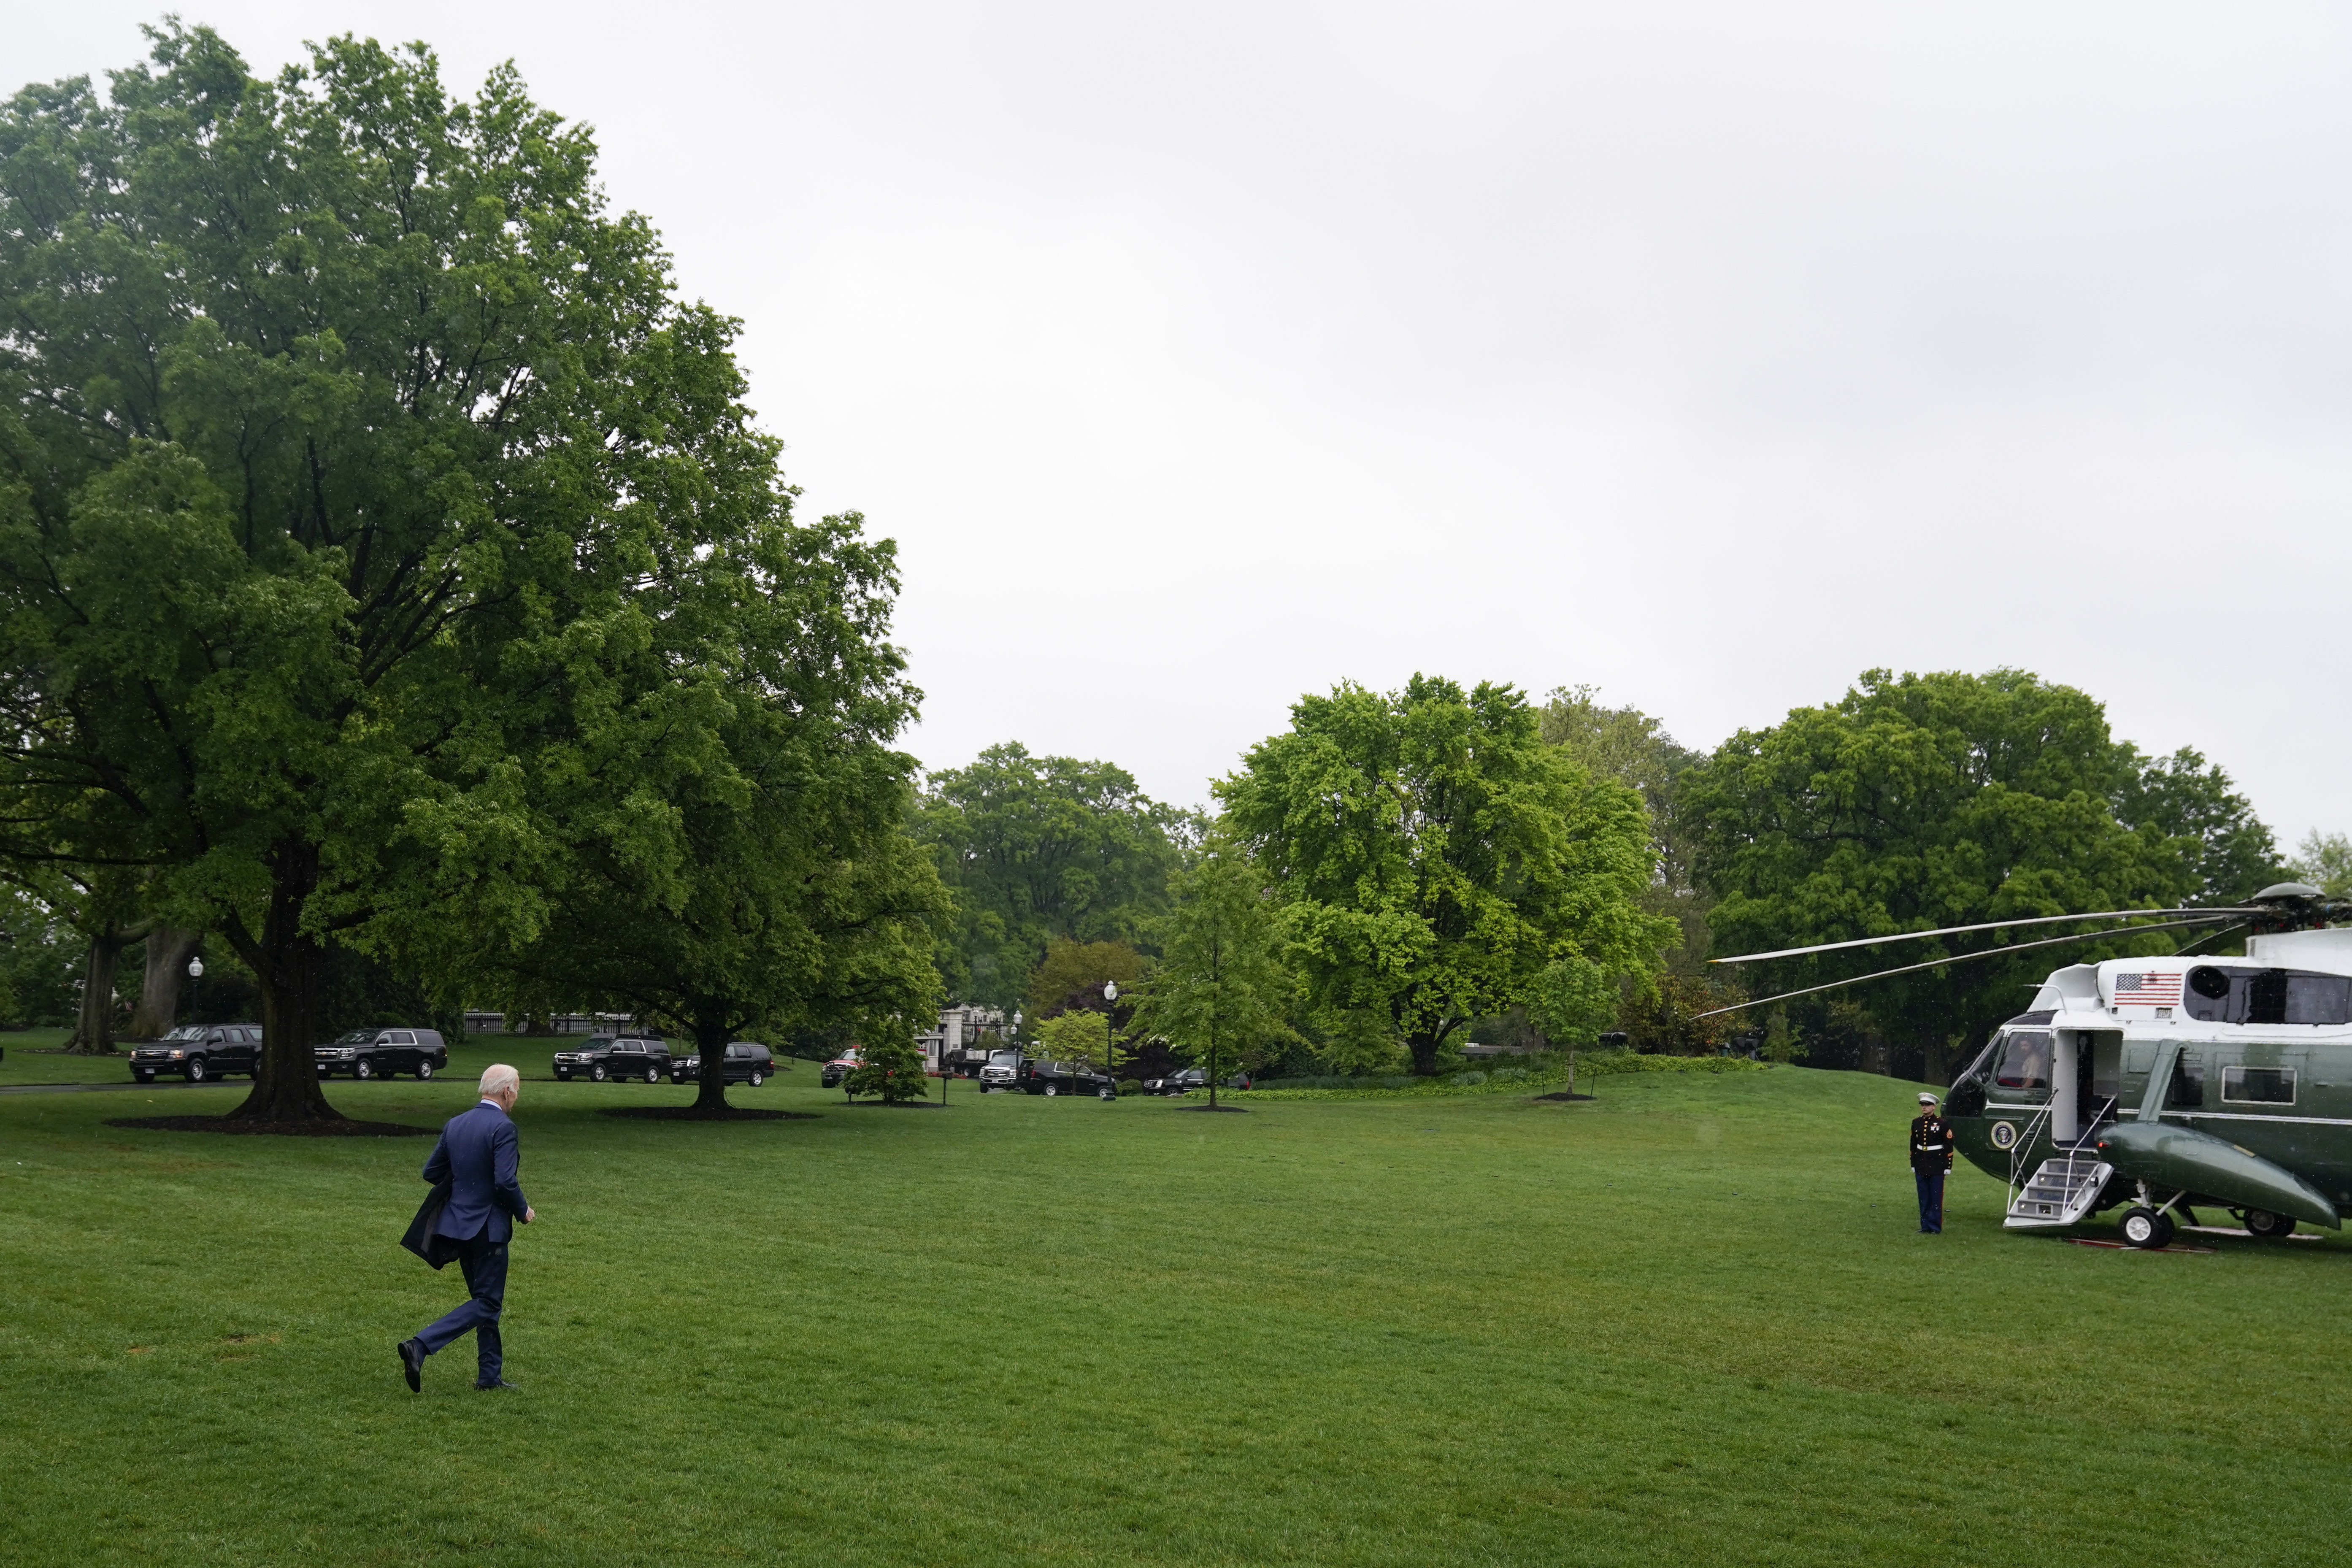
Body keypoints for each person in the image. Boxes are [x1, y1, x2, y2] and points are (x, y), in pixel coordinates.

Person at [398, 1064, 535, 1392]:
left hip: (459, 1227)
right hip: (489, 1228)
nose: (516, 1097)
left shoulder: (456, 1124)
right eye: (516, 1090)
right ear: (506, 1092)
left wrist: (465, 1186)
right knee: (488, 1303)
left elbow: (432, 1171)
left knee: (482, 1300)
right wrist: (523, 1210)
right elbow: (505, 1180)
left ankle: (489, 1377)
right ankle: (421, 1345)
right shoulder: (504, 1127)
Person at [1910, 1090, 1954, 1234]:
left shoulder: (1942, 1124)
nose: (1924, 1107)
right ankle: (1925, 1225)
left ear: (1934, 1107)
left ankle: (1935, 1226)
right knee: (1923, 1197)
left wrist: (1948, 1166)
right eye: (1923, 1105)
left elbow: (1948, 1145)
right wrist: (1913, 1163)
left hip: (1937, 1165)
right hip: (1921, 1163)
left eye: (1927, 1105)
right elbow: (1913, 1144)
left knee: (1935, 1197)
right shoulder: (1916, 1123)